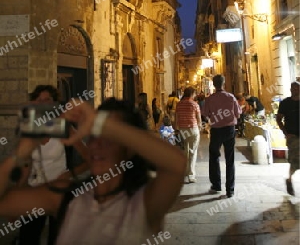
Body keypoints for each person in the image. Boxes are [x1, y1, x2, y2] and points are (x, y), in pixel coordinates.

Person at [0, 97, 186, 245]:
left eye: (108, 137)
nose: (97, 144)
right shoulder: (68, 197)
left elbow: (176, 164)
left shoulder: (143, 202)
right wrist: (20, 153)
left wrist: (98, 121)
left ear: (129, 149)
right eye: (94, 135)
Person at [17, 85, 88, 245]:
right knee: (28, 238)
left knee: (58, 238)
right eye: (39, 99)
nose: (43, 103)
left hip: (60, 190)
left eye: (47, 99)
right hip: (36, 189)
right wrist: (19, 188)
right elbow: (25, 164)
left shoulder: (64, 127)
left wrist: (69, 174)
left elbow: (89, 158)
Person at [202, 75, 241, 198]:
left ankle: (216, 185)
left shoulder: (210, 99)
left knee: (214, 156)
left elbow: (205, 114)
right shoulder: (231, 97)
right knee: (230, 159)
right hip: (229, 130)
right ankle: (230, 189)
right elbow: (238, 114)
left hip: (216, 130)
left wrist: (214, 118)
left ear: (214, 84)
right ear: (224, 83)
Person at [276, 81, 300, 196]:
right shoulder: (285, 103)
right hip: (293, 136)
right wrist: (286, 133)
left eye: (298, 88)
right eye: (294, 88)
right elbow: (279, 119)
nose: (296, 90)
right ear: (290, 90)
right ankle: (289, 180)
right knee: (294, 160)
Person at [175, 86, 201, 184]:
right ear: (191, 94)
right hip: (193, 129)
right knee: (193, 151)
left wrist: (176, 128)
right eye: (194, 93)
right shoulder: (194, 104)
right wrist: (200, 126)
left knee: (185, 151)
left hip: (183, 130)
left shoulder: (179, 104)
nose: (195, 95)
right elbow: (198, 119)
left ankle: (185, 172)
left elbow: (176, 118)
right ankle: (191, 175)